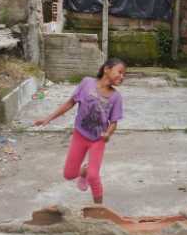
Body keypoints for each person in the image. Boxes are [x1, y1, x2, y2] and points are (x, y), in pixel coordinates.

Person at [34, 58, 125, 204]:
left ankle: (99, 210)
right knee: (69, 175)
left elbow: (114, 122)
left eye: (123, 74)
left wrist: (108, 133)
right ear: (107, 69)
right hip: (80, 135)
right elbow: (70, 102)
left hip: (98, 140)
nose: (122, 76)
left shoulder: (116, 97)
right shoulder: (87, 83)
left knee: (93, 176)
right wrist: (49, 118)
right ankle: (83, 172)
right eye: (119, 72)